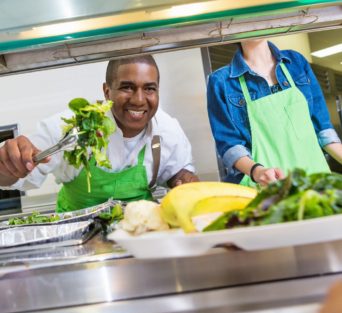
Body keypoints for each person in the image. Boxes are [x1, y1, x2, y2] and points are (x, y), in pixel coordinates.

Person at [0, 55, 199, 212]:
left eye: (149, 88)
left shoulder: (166, 129)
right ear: (106, 92)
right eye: (127, 87)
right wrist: (8, 163)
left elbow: (177, 173)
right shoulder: (71, 127)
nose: (139, 100)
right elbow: (16, 175)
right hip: (78, 237)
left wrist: (184, 181)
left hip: (141, 233)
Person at [207, 39, 342, 187]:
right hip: (267, 188)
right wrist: (257, 172)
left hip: (316, 182)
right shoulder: (221, 81)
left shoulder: (296, 62)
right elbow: (230, 146)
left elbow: (323, 131)